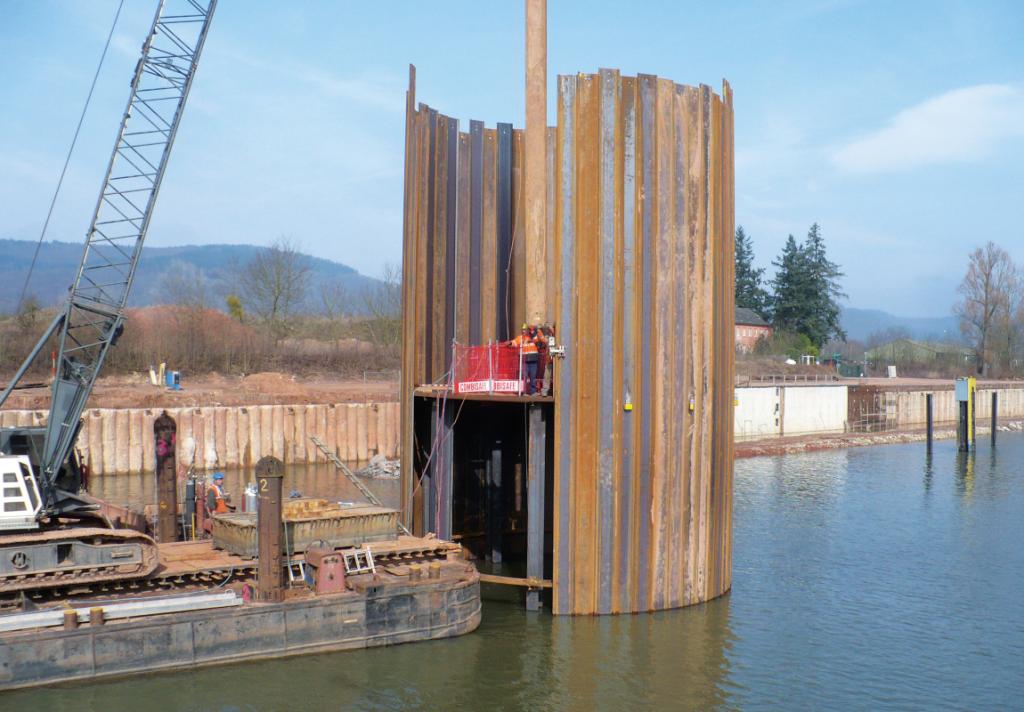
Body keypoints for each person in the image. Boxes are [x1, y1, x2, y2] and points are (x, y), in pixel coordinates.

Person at [510, 324, 541, 395]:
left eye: (525, 329)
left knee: (533, 377)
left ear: (528, 330)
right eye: (523, 330)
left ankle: (533, 392)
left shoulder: (533, 337)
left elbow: (537, 338)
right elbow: (514, 342)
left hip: (533, 360)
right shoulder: (520, 338)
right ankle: (524, 392)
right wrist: (509, 343)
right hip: (525, 361)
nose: (524, 331)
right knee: (524, 377)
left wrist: (533, 329)